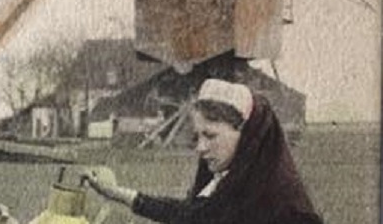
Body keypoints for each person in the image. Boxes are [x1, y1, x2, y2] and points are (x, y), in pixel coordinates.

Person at [83, 78, 323, 224]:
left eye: (210, 135)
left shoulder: (286, 208)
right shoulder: (230, 187)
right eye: (197, 136)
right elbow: (188, 215)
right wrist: (116, 193)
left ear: (246, 134)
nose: (200, 147)